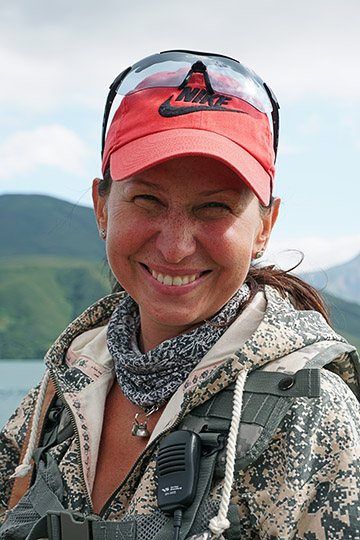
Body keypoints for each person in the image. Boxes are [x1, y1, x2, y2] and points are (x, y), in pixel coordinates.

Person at [0, 50, 359, 540]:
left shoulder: (312, 414)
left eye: (214, 207)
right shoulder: (62, 388)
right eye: (147, 199)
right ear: (102, 208)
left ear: (264, 228)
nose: (175, 245)